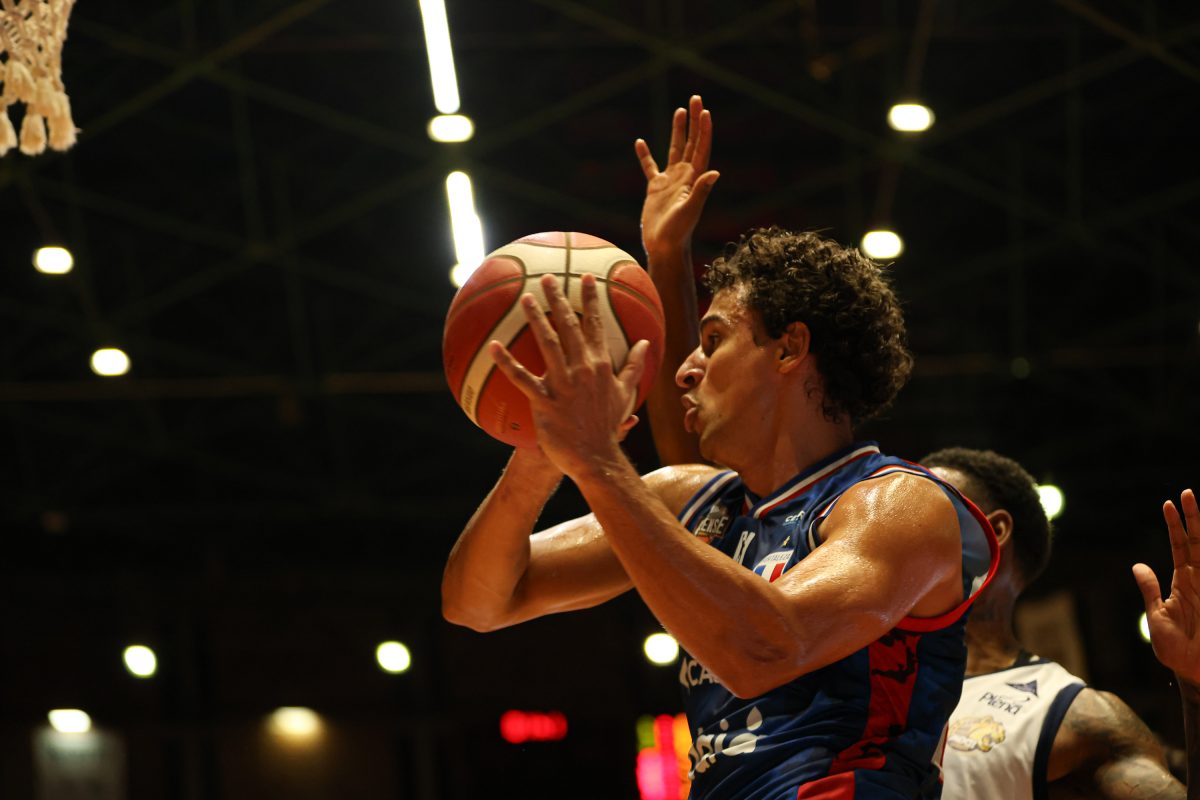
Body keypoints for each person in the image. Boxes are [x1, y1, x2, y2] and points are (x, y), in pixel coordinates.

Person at [635, 97, 1199, 800]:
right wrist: (667, 261)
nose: (881, 504)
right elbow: (697, 492)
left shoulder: (1062, 711)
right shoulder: (836, 632)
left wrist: (1196, 689)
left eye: (934, 498)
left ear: (985, 535)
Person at [441, 98, 999, 797]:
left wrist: (597, 461)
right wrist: (539, 451)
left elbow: (767, 649)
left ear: (790, 349)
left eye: (714, 341)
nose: (684, 369)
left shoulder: (900, 504)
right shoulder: (696, 501)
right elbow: (477, 601)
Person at [922, 450, 1198, 799]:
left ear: (993, 532)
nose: (895, 524)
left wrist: (1195, 683)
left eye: (924, 506)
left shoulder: (1071, 713)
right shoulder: (864, 673)